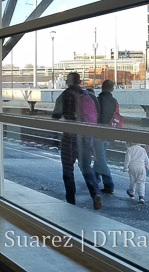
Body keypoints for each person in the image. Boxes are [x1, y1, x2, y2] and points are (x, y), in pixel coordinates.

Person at [52, 72, 103, 210]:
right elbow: (97, 115)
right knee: (86, 167)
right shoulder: (89, 95)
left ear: (68, 82)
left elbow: (55, 115)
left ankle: (71, 201)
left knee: (68, 170)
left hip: (69, 137)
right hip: (86, 137)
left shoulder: (64, 95)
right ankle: (95, 194)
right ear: (80, 81)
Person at [95, 80, 119, 194]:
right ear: (112, 89)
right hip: (109, 132)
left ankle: (109, 184)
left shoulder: (98, 100)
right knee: (99, 157)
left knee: (100, 159)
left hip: (98, 132)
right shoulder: (114, 101)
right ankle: (94, 179)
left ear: (102, 87)